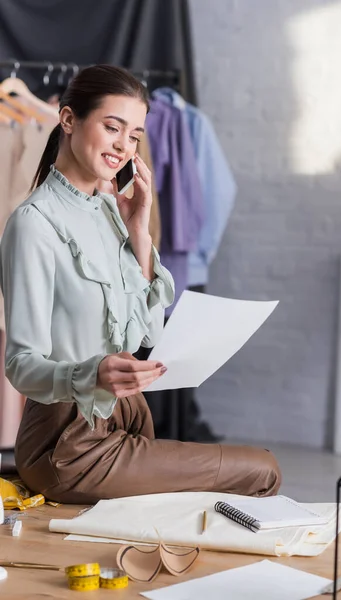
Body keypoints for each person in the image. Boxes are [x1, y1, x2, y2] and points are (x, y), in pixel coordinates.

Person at [0, 65, 281, 504]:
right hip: (66, 443)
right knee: (262, 470)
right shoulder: (34, 224)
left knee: (246, 476)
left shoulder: (113, 211)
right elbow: (19, 365)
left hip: (128, 417)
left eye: (133, 135)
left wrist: (140, 234)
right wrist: (91, 371)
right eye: (112, 127)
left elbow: (150, 334)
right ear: (69, 120)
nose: (123, 146)